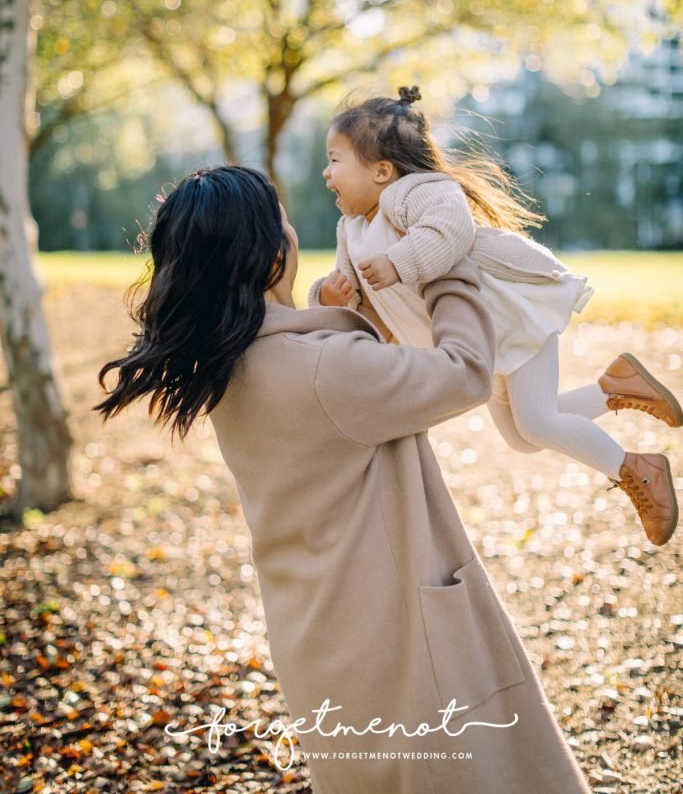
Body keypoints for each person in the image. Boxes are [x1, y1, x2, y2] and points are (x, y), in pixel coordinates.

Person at [96, 165, 592, 794]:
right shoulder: (323, 368)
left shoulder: (225, 366)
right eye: (282, 222)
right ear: (271, 255)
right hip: (401, 638)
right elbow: (466, 371)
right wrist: (445, 264)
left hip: (316, 638)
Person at [311, 86, 681, 547]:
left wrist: (397, 262)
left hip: (508, 314)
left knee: (538, 423)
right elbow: (354, 300)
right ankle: (616, 388)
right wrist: (328, 298)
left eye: (334, 160)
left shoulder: (417, 192)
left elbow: (449, 230)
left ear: (382, 171)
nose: (326, 173)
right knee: (523, 438)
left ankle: (639, 469)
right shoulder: (351, 230)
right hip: (480, 341)